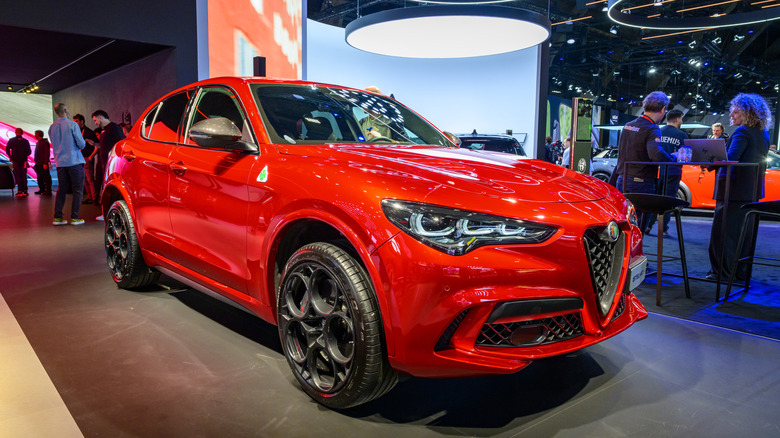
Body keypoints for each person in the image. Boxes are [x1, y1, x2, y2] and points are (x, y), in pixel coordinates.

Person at [707, 93, 772, 281]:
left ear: (746, 112)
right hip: (750, 192)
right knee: (744, 236)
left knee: (724, 235)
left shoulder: (742, 132)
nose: (731, 116)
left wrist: (709, 161)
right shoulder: (763, 133)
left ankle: (721, 274)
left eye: (735, 112)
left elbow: (730, 159)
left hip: (733, 192)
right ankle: (740, 273)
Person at [614, 91, 675, 232]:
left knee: (623, 226)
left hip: (622, 180)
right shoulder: (652, 128)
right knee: (637, 229)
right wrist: (673, 158)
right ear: (662, 109)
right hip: (641, 184)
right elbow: (656, 155)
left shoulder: (628, 125)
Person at [645, 109, 687, 235]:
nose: (681, 121)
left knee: (656, 198)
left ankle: (648, 226)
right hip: (673, 171)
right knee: (669, 200)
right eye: (681, 119)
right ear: (678, 119)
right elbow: (686, 154)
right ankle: (663, 228)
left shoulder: (658, 131)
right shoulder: (681, 135)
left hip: (657, 169)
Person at [49, 103, 86, 225]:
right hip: (74, 161)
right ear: (65, 110)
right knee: (78, 190)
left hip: (60, 162)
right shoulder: (72, 124)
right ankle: (75, 217)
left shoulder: (52, 127)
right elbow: (81, 144)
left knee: (61, 189)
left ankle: (57, 218)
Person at [91, 110, 125, 219]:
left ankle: (111, 214)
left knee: (110, 191)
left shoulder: (114, 128)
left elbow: (121, 144)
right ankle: (107, 213)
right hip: (105, 164)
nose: (95, 123)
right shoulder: (104, 130)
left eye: (95, 120)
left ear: (100, 117)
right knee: (104, 189)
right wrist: (95, 144)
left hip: (112, 165)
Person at [74, 114, 99, 204]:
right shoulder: (76, 132)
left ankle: (94, 198)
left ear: (82, 122)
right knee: (84, 179)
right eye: (74, 122)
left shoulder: (89, 132)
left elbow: (98, 145)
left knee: (90, 179)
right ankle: (89, 197)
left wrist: (91, 156)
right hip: (79, 158)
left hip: (87, 158)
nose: (75, 123)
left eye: (76, 121)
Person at [5, 127, 31, 197]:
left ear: (15, 132)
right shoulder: (25, 141)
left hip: (15, 160)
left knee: (18, 175)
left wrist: (11, 157)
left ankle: (19, 191)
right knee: (23, 175)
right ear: (22, 133)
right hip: (24, 161)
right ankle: (25, 191)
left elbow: (7, 149)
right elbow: (29, 152)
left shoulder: (12, 140)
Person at [33, 130, 52, 195]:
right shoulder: (39, 142)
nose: (35, 135)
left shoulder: (44, 143)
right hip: (38, 163)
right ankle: (42, 189)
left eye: (35, 134)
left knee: (46, 177)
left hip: (43, 163)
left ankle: (48, 190)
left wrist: (45, 163)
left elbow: (47, 153)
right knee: (40, 177)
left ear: (38, 135)